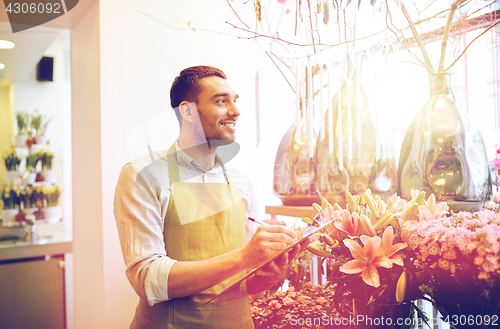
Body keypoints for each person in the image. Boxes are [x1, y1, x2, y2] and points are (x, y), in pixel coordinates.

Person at [114, 65, 309, 328]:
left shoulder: (241, 182)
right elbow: (148, 279)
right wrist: (244, 257)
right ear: (187, 111)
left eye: (235, 101)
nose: (236, 111)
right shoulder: (142, 175)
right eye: (221, 101)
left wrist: (268, 272)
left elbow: (242, 278)